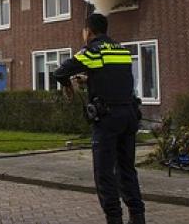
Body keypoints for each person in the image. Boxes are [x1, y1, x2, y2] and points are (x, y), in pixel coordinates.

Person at [53, 14, 145, 224]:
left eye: (84, 32)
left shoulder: (93, 51)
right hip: (129, 115)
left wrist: (68, 86)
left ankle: (114, 219)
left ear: (89, 31)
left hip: (107, 119)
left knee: (104, 173)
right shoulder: (121, 50)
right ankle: (137, 216)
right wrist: (90, 78)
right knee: (127, 169)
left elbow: (59, 72)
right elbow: (114, 76)